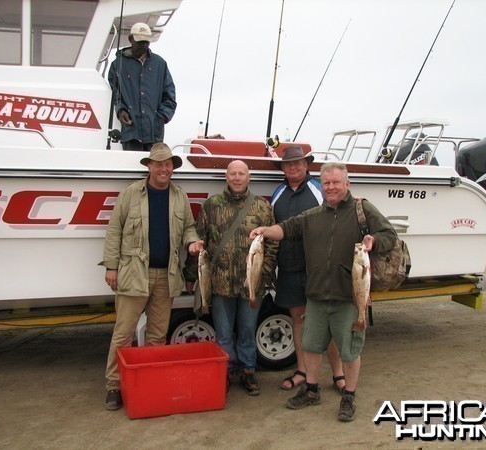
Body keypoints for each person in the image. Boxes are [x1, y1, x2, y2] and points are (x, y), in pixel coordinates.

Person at [250, 162, 397, 422]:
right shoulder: (313, 216)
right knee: (311, 346)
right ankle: (311, 390)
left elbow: (390, 235)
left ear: (347, 184)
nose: (331, 187)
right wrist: (265, 231)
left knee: (350, 351)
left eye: (336, 182)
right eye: (326, 183)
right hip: (316, 295)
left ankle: (349, 396)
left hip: (349, 297)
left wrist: (374, 241)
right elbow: (286, 228)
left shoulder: (363, 210)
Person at [101, 143, 203, 411]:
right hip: (134, 274)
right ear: (149, 166)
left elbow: (189, 229)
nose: (164, 168)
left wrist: (192, 243)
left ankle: (148, 381)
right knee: (123, 334)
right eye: (159, 164)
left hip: (166, 276)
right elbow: (114, 231)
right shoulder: (131, 193)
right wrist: (111, 267)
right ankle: (114, 386)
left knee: (157, 336)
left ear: (172, 168)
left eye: (168, 164)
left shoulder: (179, 196)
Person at [190, 160, 277, 396]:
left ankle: (248, 371)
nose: (237, 178)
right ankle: (227, 371)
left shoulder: (262, 207)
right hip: (219, 283)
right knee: (223, 333)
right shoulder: (211, 205)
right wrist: (192, 274)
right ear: (226, 177)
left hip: (252, 284)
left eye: (242, 174)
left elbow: (271, 244)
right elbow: (200, 240)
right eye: (233, 174)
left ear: (249, 177)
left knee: (248, 331)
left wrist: (264, 273)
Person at [270, 146, 346, 393]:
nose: (293, 167)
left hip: (318, 269)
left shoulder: (318, 189)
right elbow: (275, 230)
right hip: (289, 269)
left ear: (306, 165)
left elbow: (337, 221)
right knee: (298, 320)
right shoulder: (277, 194)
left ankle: (338, 373)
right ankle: (302, 370)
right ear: (282, 168)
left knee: (328, 322)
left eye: (298, 163)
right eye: (288, 163)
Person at [108, 22, 177, 150]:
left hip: (154, 135)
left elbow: (170, 97)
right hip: (130, 133)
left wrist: (161, 117)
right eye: (140, 41)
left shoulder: (160, 64)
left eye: (146, 42)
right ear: (130, 39)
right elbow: (115, 95)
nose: (144, 45)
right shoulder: (117, 65)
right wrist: (121, 110)